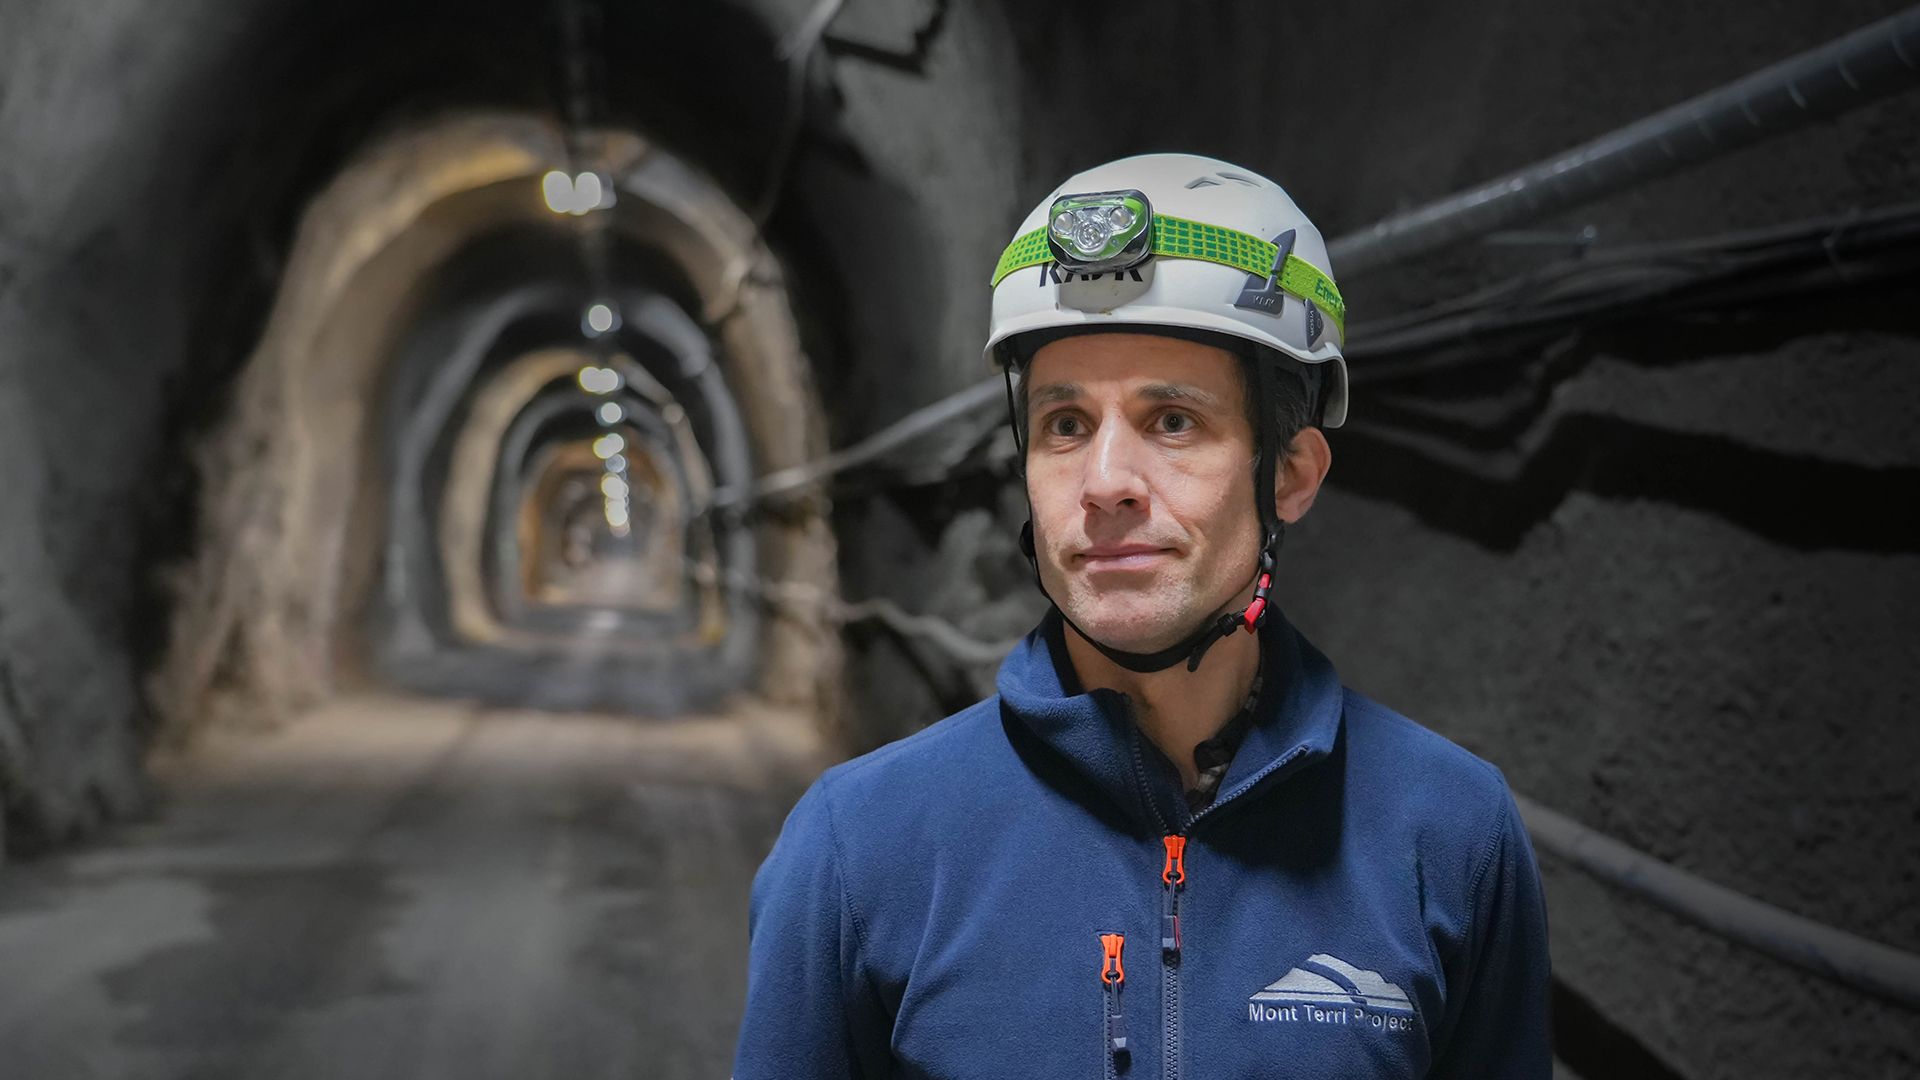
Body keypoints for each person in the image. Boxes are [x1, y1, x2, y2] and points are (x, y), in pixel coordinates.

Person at [733, 153, 1552, 1078]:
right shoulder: (861, 847)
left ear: (1290, 475)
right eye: (1065, 424)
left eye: (1172, 421)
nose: (1106, 484)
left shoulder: (1448, 833)